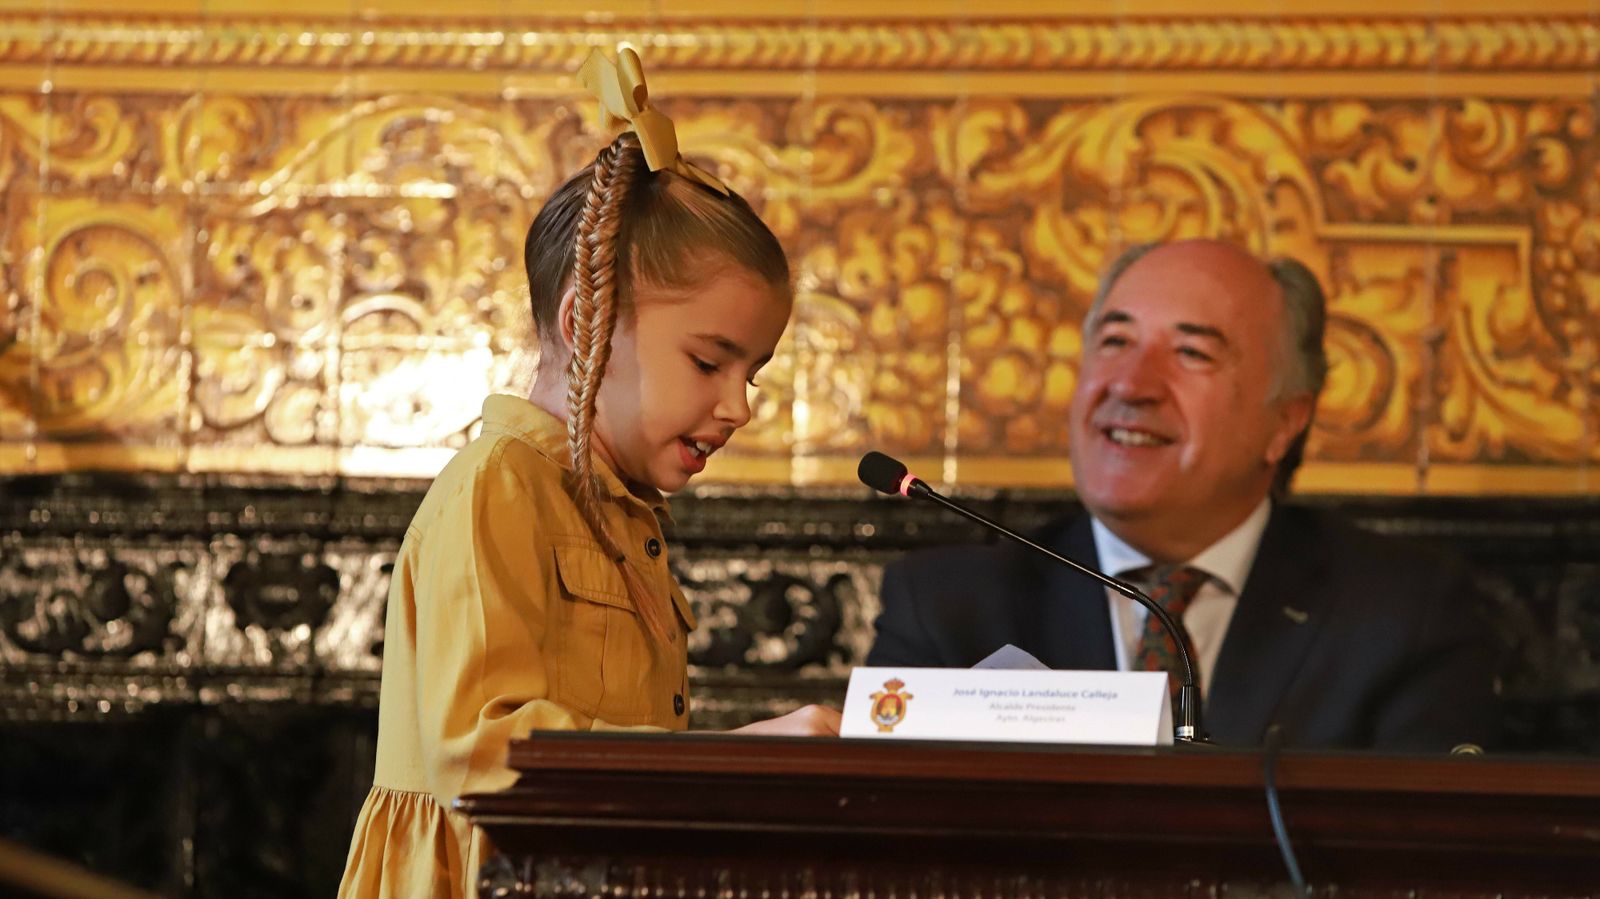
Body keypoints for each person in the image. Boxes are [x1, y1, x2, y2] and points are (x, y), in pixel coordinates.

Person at [338, 48, 839, 899]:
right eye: (710, 362)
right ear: (586, 323)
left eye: (751, 375)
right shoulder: (498, 484)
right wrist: (739, 757)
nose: (740, 406)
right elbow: (481, 753)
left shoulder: (620, 512)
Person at [867, 239, 1500, 752]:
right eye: (1114, 342)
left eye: (1192, 352)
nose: (1132, 385)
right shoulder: (948, 610)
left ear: (1285, 421)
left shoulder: (1404, 616)